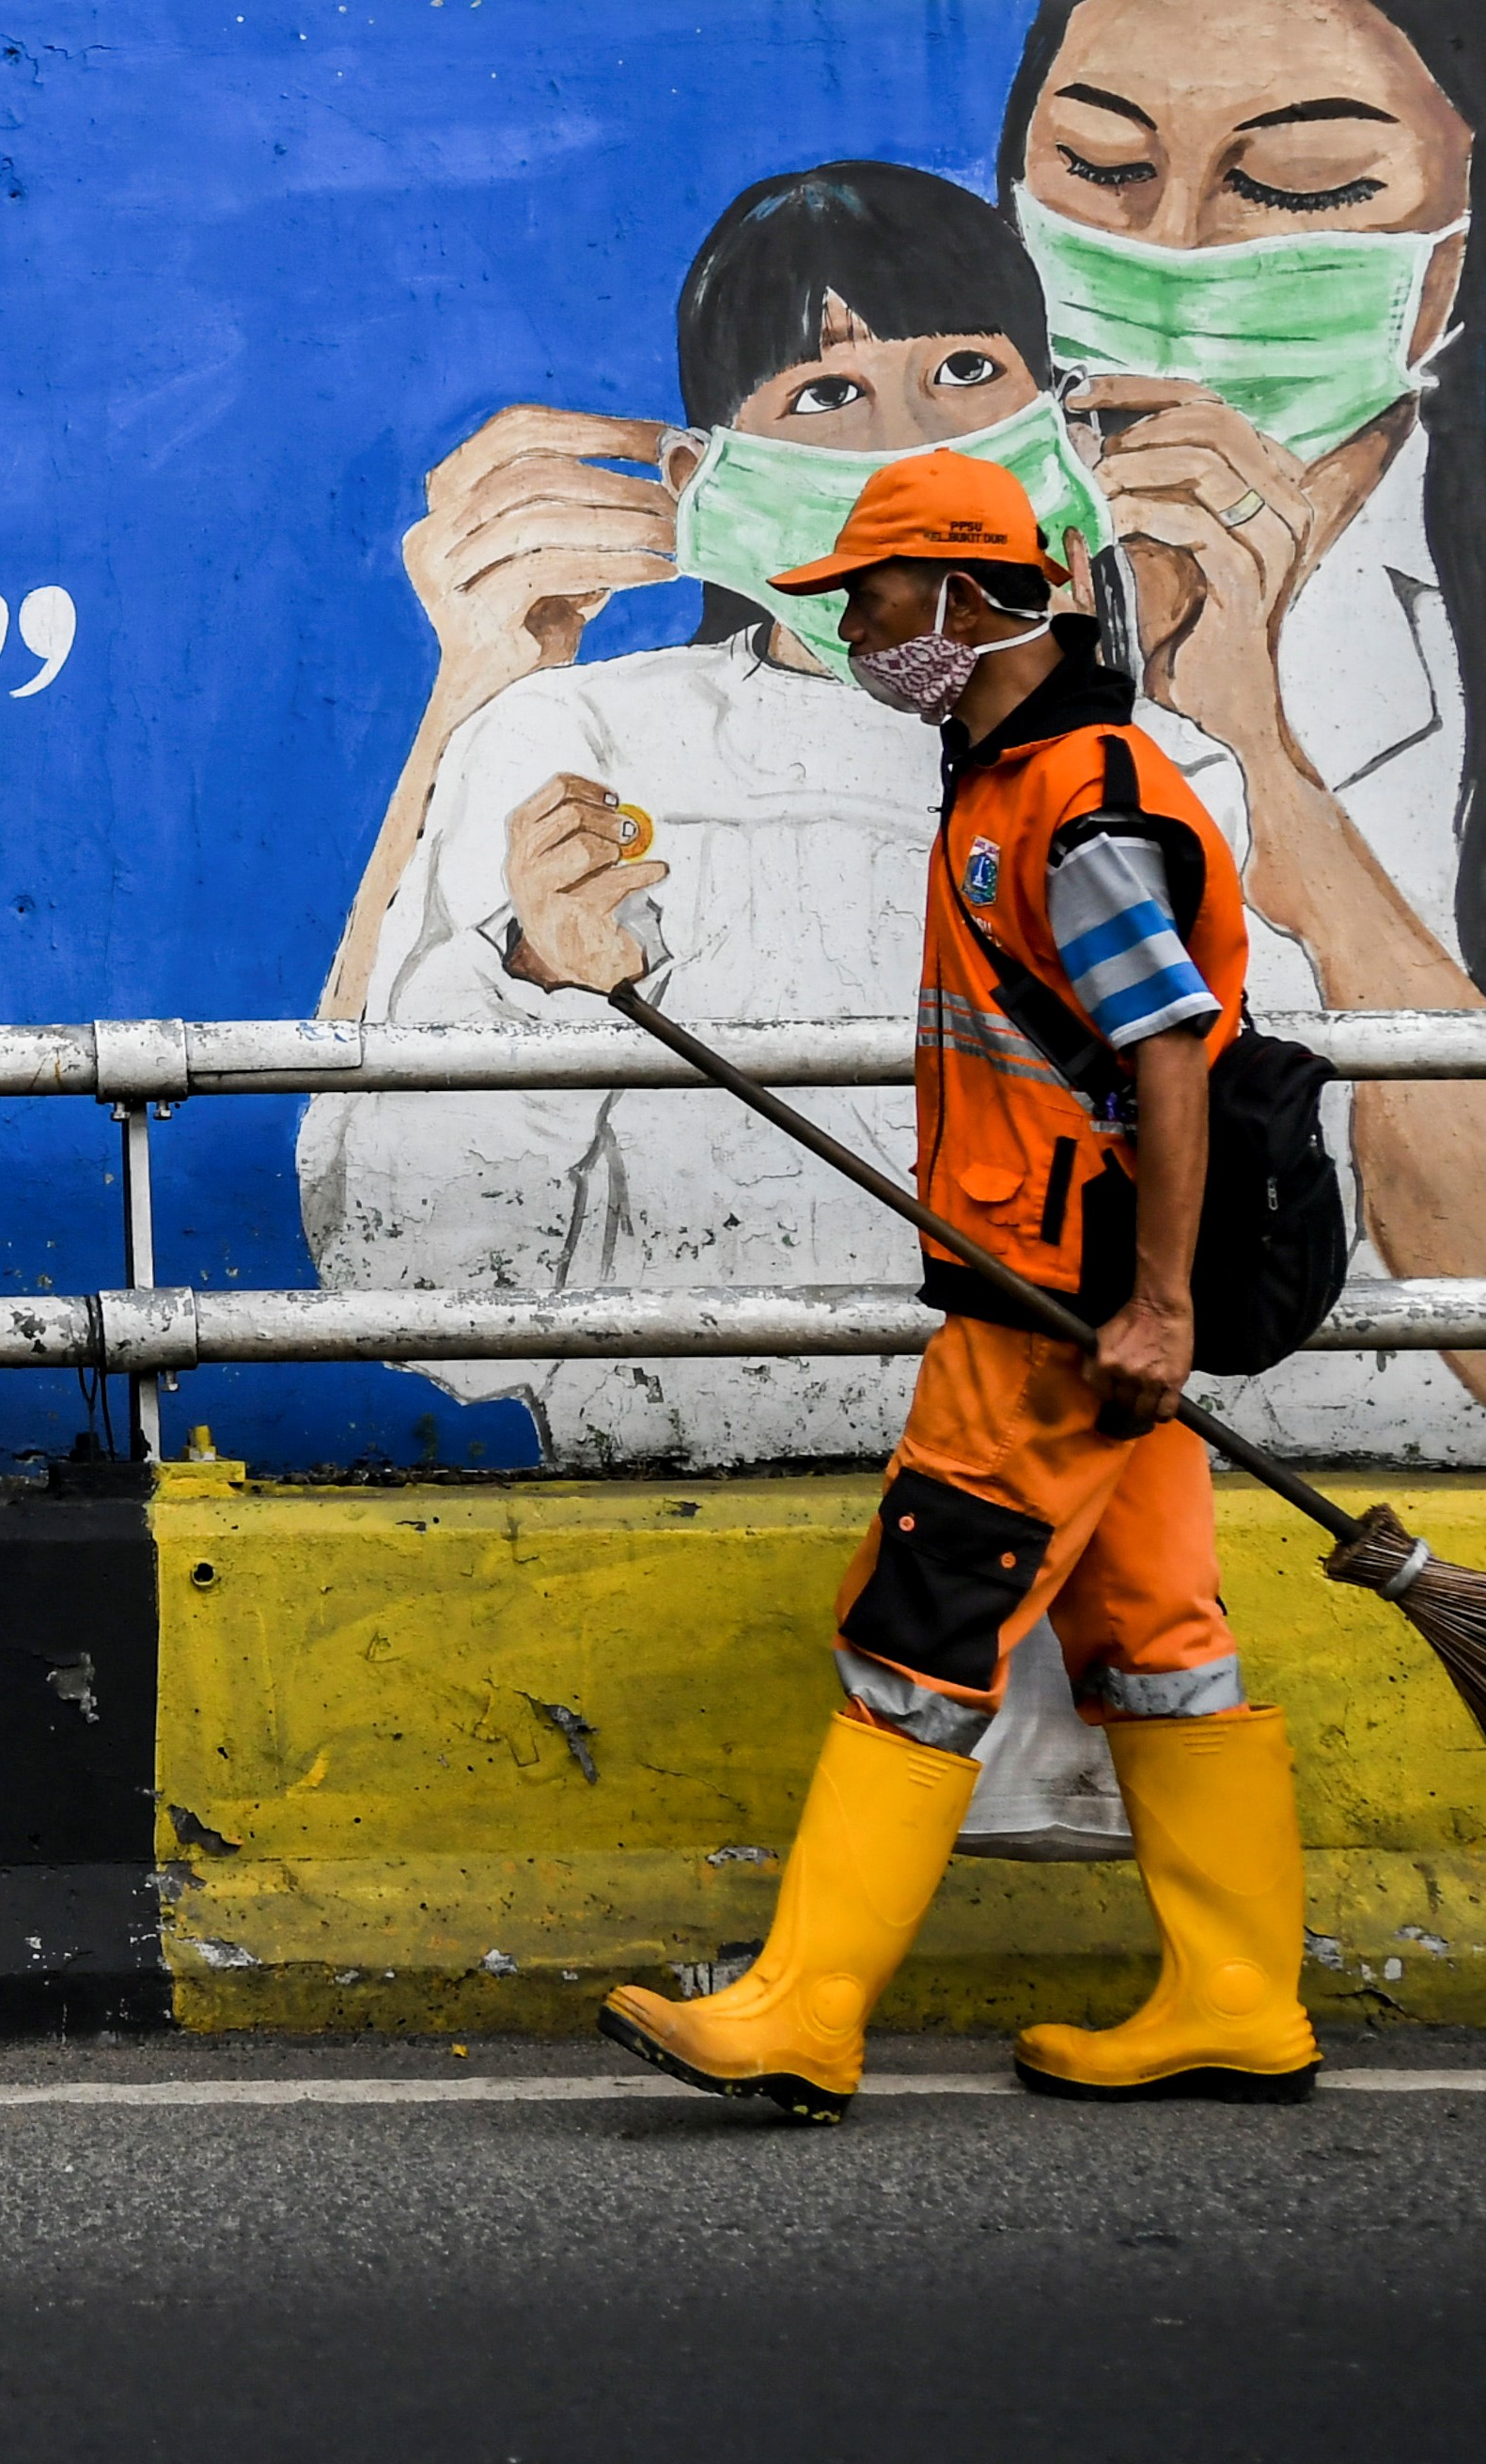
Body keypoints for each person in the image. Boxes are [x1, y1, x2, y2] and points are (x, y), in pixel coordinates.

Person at [302, 164, 1298, 1473]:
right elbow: (408, 1288)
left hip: (1075, 1434)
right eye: (826, 392)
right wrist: (537, 981)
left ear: (1061, 431)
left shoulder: (1160, 768)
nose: (905, 439)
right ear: (707, 475)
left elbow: (1249, 1131)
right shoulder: (576, 742)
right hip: (670, 1495)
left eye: (961, 374)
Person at [598, 449, 1318, 2121]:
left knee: (920, 1626)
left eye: (875, 593)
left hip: (1054, 1314)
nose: (856, 627)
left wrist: (1153, 1309)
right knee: (1156, 1633)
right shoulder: (1003, 779)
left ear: (970, 595)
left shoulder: (1078, 801)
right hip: (1072, 1292)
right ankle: (1236, 1996)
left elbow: (1171, 1052)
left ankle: (803, 2005)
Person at [1000, 0, 1486, 1412]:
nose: (1177, 253)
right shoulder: (910, 599)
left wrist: (1260, 753)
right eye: (1099, 169)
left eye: (1301, 189)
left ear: (1450, 263)